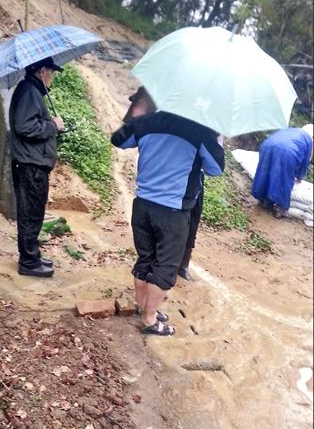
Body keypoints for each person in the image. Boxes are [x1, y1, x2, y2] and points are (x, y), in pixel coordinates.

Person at [111, 110, 224, 336]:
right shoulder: (200, 131)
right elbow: (215, 169)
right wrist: (217, 141)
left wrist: (141, 116)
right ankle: (150, 319)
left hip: (142, 205)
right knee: (165, 267)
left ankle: (144, 306)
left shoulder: (148, 121)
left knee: (146, 258)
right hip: (172, 212)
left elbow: (119, 140)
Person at [123, 87, 210, 282]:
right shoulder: (162, 100)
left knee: (189, 223)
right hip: (173, 194)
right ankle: (159, 287)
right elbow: (215, 168)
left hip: (178, 185)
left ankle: (178, 266)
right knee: (165, 250)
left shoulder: (202, 106)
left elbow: (123, 135)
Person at [9, 56, 65, 277]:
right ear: (42, 71)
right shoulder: (29, 91)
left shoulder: (31, 91)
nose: (51, 77)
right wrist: (53, 125)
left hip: (33, 163)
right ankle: (29, 262)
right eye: (50, 72)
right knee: (30, 213)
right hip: (30, 164)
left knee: (34, 211)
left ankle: (32, 256)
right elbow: (25, 126)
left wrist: (51, 125)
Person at [251, 124, 313, 219]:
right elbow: (305, 161)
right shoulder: (308, 140)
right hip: (287, 151)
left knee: (265, 172)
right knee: (285, 179)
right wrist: (300, 176)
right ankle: (280, 208)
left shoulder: (291, 130)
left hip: (268, 145)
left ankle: (264, 199)